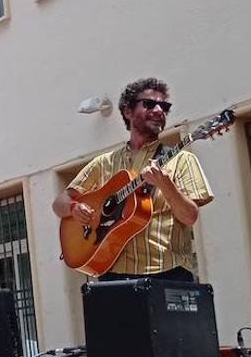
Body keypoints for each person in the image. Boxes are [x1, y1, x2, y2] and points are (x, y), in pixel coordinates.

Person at [52, 77, 213, 282]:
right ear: (128, 111)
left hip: (168, 273)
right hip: (113, 274)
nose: (159, 110)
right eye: (149, 104)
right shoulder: (104, 163)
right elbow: (59, 204)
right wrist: (74, 208)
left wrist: (165, 184)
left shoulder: (182, 160)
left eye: (164, 106)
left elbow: (190, 217)